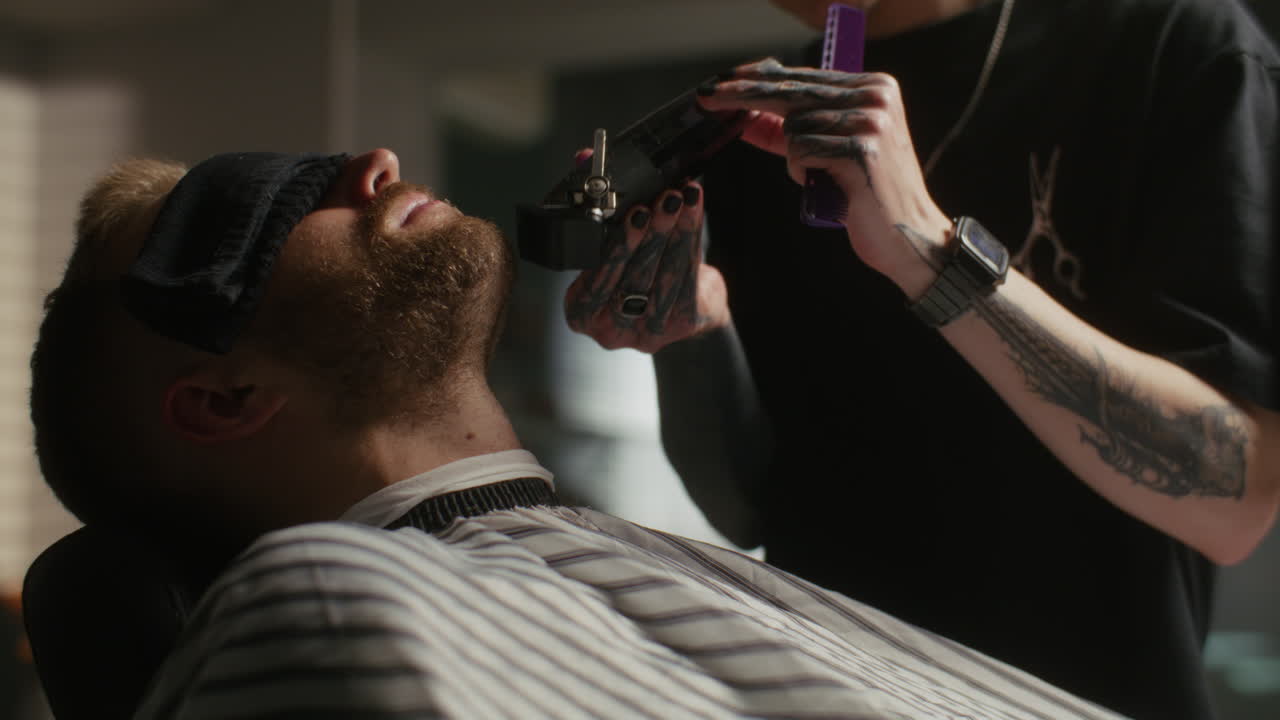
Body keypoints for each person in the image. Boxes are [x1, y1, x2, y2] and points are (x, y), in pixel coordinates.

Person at [28, 149, 1132, 719]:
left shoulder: (652, 571)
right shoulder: (315, 603)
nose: (364, 163)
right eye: (225, 222)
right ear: (221, 400)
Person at [563, 1, 1280, 718]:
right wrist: (693, 336)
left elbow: (1234, 500)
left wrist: (930, 251)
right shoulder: (769, 123)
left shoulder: (1173, 45)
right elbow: (753, 508)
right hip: (820, 693)